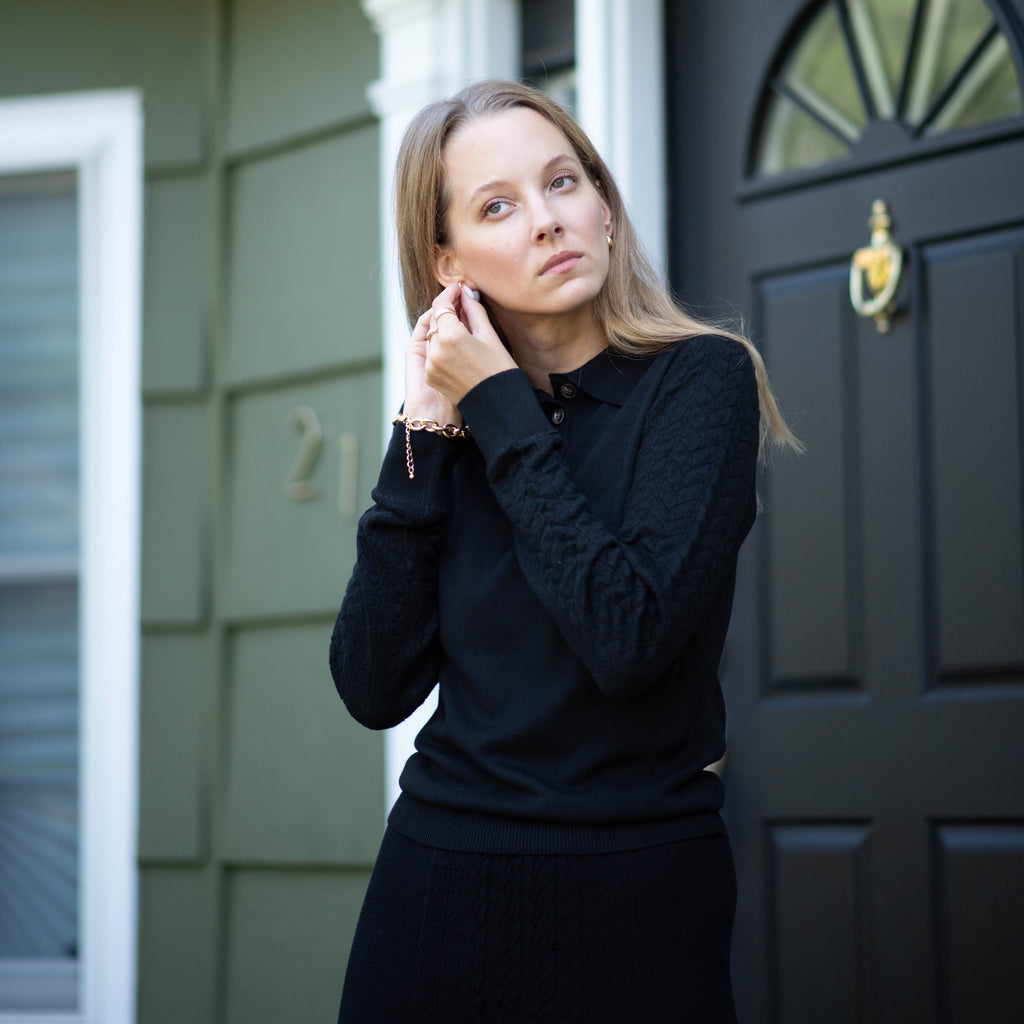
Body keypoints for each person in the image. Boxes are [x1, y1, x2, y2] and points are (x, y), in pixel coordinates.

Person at [329, 79, 800, 1024]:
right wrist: (421, 434)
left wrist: (495, 403)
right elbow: (373, 686)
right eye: (498, 206)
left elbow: (625, 635)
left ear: (607, 208)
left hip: (635, 892)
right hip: (437, 886)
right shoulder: (451, 429)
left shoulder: (699, 383)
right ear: (446, 260)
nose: (547, 222)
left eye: (563, 183)